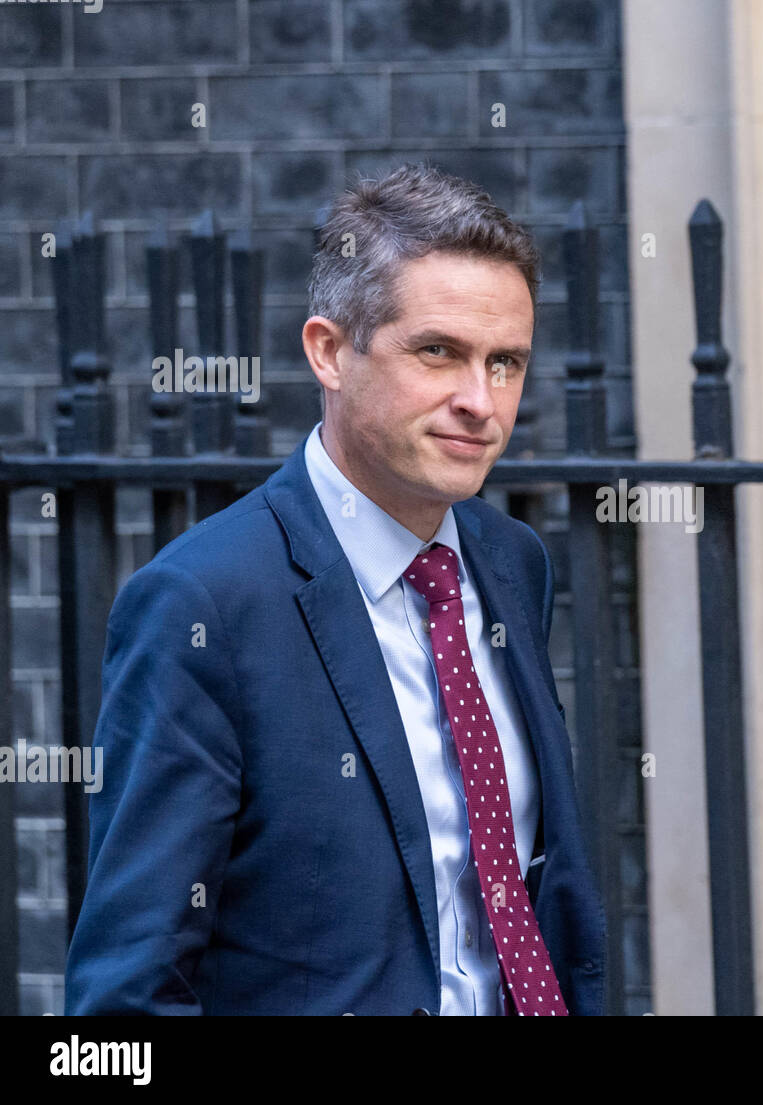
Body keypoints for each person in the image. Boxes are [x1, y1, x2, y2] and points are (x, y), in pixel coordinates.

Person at [64, 163, 607, 1016]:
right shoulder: (202, 604)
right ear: (328, 351)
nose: (480, 400)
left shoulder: (513, 563)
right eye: (439, 351)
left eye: (506, 362)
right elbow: (129, 990)